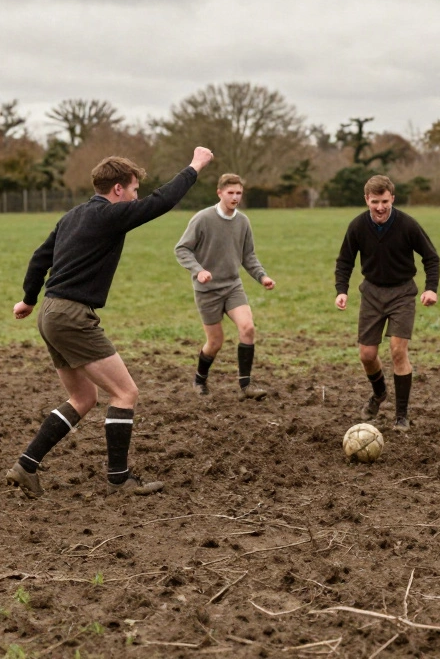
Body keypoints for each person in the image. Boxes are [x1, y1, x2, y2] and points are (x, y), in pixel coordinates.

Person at [7, 147, 214, 498]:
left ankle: (25, 466)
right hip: (72, 316)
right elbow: (161, 202)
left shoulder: (72, 216)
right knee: (125, 392)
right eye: (134, 190)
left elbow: (40, 258)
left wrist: (28, 299)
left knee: (83, 397)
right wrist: (194, 166)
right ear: (118, 189)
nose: (136, 197)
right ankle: (119, 478)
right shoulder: (110, 215)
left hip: (51, 312)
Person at [334, 175, 440, 431]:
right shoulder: (358, 226)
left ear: (392, 198)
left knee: (397, 350)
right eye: (374, 202)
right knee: (367, 355)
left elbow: (431, 258)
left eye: (384, 201)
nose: (380, 207)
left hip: (402, 293)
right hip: (371, 293)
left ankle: (401, 415)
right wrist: (342, 290)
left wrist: (431, 289)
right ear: (366, 200)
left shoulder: (407, 225)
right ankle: (379, 393)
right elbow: (344, 261)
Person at [174, 173, 275, 400]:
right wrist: (198, 270)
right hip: (207, 291)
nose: (235, 197)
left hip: (232, 286)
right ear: (219, 193)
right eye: (230, 193)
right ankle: (200, 379)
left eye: (239, 193)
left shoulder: (243, 222)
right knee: (215, 342)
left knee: (248, 328)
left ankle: (246, 386)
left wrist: (262, 277)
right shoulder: (203, 219)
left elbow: (248, 255)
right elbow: (182, 249)